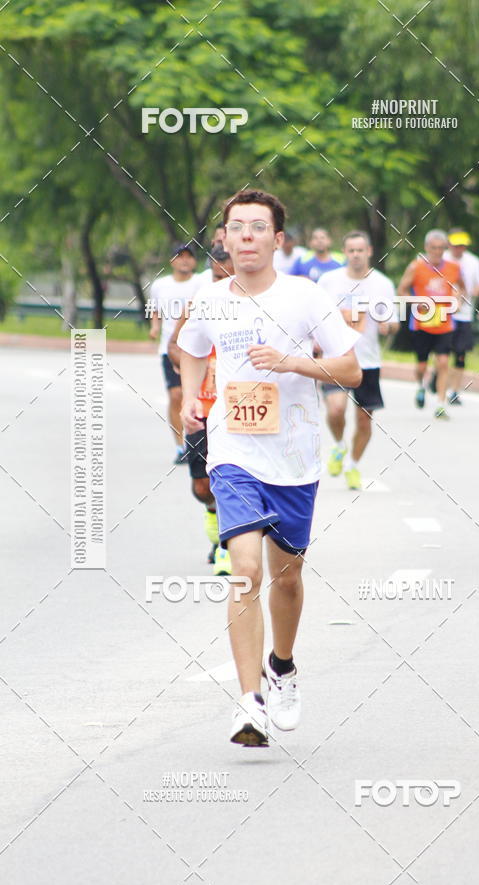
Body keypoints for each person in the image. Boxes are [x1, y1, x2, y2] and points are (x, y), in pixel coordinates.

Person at [177, 189, 361, 746]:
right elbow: (188, 347)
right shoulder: (210, 300)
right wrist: (191, 396)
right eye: (238, 227)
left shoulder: (305, 297)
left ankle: (281, 665)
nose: (248, 236)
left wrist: (290, 362)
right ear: (225, 239)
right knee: (245, 570)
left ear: (278, 240)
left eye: (259, 227)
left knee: (287, 577)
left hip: (295, 454)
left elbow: (350, 370)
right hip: (234, 450)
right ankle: (248, 703)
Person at [168, 245, 235, 575]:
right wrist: (191, 363)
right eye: (216, 274)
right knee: (202, 488)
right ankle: (214, 516)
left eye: (227, 274)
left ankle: (228, 546)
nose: (221, 279)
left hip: (237, 409)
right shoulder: (200, 301)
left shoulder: (254, 304)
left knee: (232, 477)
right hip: (202, 408)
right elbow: (174, 344)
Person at [318, 230, 398, 490]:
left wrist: (389, 327)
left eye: (360, 250)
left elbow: (393, 322)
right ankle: (340, 445)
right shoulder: (328, 281)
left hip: (368, 361)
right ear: (345, 253)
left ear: (369, 252)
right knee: (336, 410)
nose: (355, 255)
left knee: (364, 420)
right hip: (336, 358)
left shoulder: (383, 284)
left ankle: (352, 465)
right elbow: (315, 317)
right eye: (350, 250)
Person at [397, 230, 464, 419]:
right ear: (426, 248)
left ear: (446, 249)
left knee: (443, 362)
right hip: (422, 323)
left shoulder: (453, 268)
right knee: (421, 366)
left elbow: (460, 287)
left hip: (445, 324)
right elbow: (402, 290)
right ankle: (421, 386)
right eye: (433, 248)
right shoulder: (415, 267)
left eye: (441, 248)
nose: (437, 252)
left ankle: (441, 404)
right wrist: (416, 302)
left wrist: (457, 301)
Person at [148, 244, 205, 463]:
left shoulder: (200, 283)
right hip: (169, 349)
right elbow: (154, 310)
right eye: (180, 257)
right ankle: (181, 446)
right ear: (172, 261)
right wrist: (155, 327)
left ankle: (199, 442)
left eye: (189, 257)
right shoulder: (160, 285)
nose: (185, 261)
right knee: (176, 395)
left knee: (198, 396)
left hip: (196, 348)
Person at [442, 228, 479, 405]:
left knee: (460, 354)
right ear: (450, 244)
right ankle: (438, 380)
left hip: (464, 314)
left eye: (462, 246)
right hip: (443, 313)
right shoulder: (441, 259)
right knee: (442, 353)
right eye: (456, 245)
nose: (459, 249)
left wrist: (469, 295)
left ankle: (454, 391)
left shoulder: (473, 261)